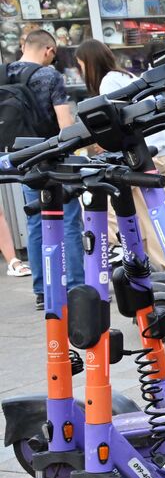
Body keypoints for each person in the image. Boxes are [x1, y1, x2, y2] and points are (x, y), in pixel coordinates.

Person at [75, 38, 165, 270]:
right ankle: (163, 267)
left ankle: (126, 252)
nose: (80, 70)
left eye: (80, 64)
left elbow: (119, 127)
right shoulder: (125, 76)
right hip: (164, 151)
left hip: (147, 156)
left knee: (101, 192)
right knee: (157, 216)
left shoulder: (108, 84)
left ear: (89, 63)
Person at [6, 29, 80, 309]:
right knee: (69, 222)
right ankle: (74, 285)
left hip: (24, 157)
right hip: (53, 158)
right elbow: (65, 126)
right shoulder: (50, 76)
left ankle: (42, 289)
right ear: (49, 50)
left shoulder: (4, 74)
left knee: (36, 221)